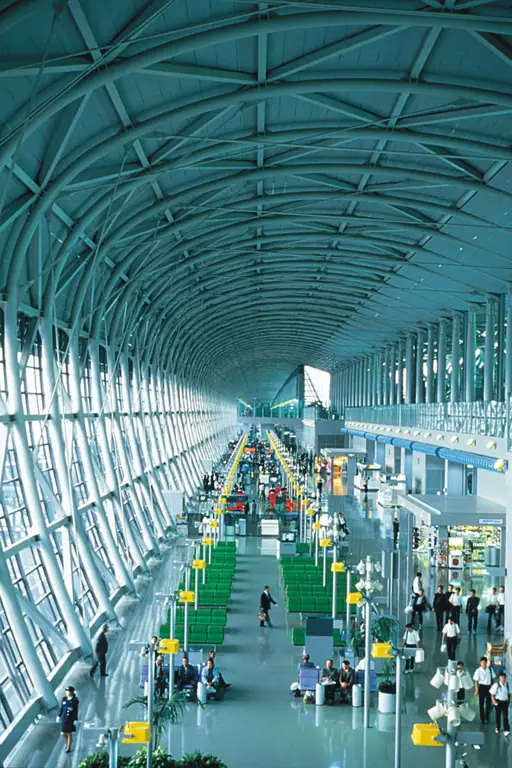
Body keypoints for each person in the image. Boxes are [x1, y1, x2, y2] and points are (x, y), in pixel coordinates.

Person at [473, 656, 495, 724]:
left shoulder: (490, 670)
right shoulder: (478, 670)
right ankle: (482, 718)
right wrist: (476, 690)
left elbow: (493, 679)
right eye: (482, 663)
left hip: (489, 687)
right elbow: (476, 681)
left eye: (485, 663)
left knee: (489, 704)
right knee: (481, 704)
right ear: (480, 663)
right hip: (481, 687)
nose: (484, 664)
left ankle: (487, 717)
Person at [58, 686, 79, 754]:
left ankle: (68, 747)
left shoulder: (75, 701)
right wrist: (59, 715)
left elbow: (75, 710)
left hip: (70, 718)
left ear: (72, 692)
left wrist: (75, 719)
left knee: (69, 733)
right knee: (63, 733)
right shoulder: (64, 699)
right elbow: (62, 708)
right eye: (66, 691)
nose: (67, 692)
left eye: (69, 691)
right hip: (64, 718)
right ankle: (68, 741)